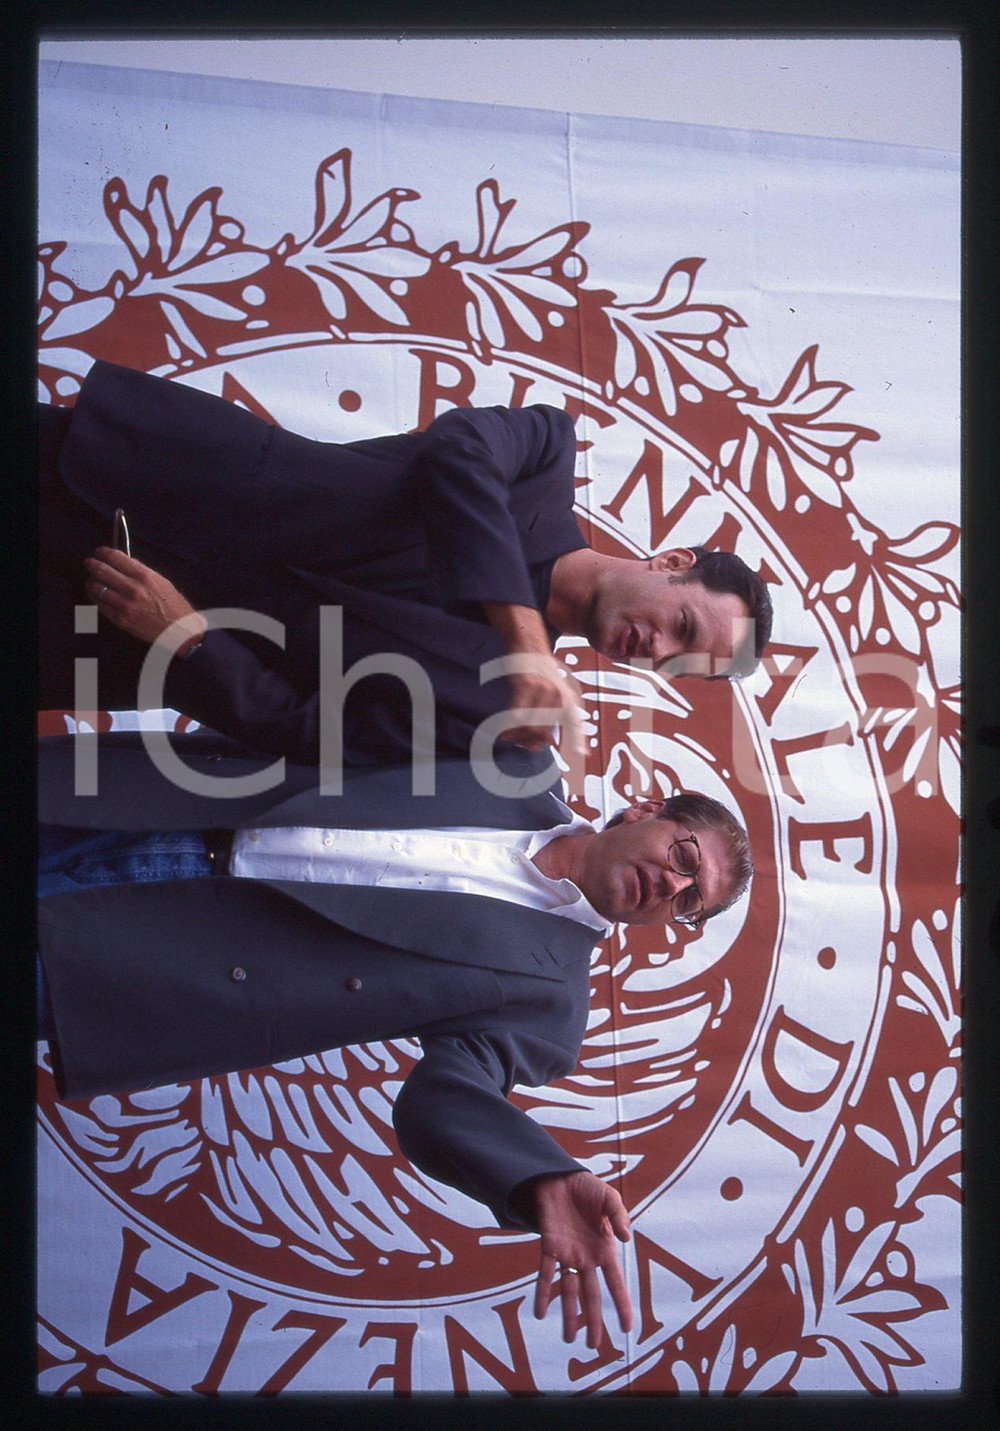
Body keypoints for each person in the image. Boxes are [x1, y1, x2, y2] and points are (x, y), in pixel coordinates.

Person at [37, 730, 753, 1350]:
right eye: (684, 856)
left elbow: (439, 1102)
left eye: (689, 901)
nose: (670, 884)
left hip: (155, 950)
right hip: (152, 801)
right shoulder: (518, 758)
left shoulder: (551, 1008)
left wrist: (537, 1174)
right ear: (647, 809)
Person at [39, 361, 773, 765]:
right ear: (672, 559)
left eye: (679, 660)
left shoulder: (498, 713)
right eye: (680, 622)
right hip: (128, 477)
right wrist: (521, 639)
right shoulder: (544, 458)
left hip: (107, 636)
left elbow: (309, 731)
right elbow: (460, 450)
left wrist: (188, 639)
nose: (660, 649)